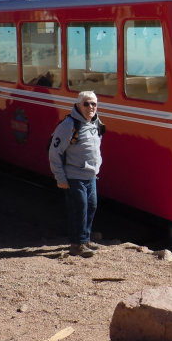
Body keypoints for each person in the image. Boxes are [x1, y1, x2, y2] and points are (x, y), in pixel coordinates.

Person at [48, 91, 105, 257]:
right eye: (86, 104)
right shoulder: (68, 125)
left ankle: (85, 239)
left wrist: (97, 167)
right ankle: (76, 244)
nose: (91, 107)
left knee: (91, 207)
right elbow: (54, 152)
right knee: (79, 208)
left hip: (91, 175)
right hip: (74, 175)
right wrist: (60, 177)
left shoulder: (96, 122)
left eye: (94, 103)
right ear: (78, 105)